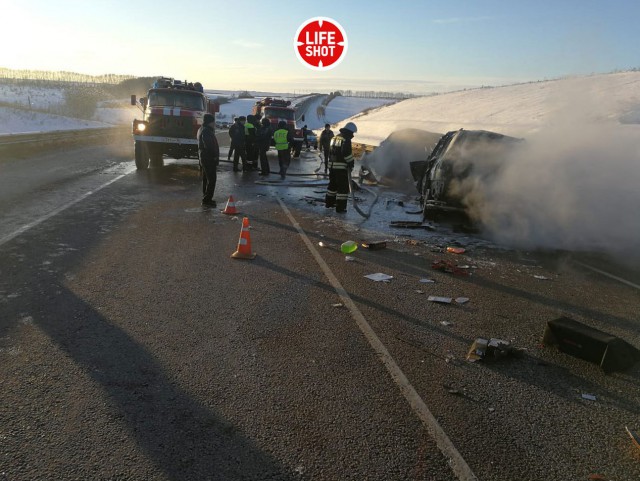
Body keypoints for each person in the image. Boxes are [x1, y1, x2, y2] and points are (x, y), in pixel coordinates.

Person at [325, 122, 357, 213]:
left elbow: (330, 151)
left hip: (332, 166)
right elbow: (346, 153)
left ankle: (329, 203)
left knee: (332, 186)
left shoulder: (335, 137)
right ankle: (340, 208)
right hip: (340, 168)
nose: (353, 135)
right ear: (349, 131)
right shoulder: (345, 139)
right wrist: (351, 163)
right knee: (343, 188)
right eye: (352, 133)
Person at [197, 113, 220, 207]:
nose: (214, 123)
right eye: (213, 121)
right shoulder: (206, 131)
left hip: (204, 157)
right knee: (212, 179)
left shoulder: (203, 129)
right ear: (210, 122)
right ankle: (207, 199)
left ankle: (206, 197)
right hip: (208, 158)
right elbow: (209, 145)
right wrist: (214, 156)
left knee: (206, 179)